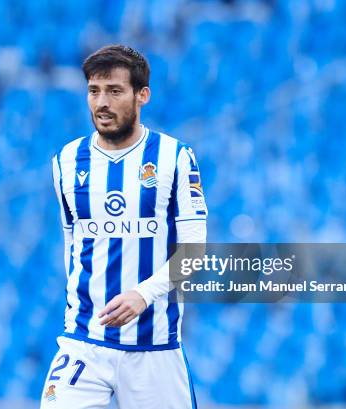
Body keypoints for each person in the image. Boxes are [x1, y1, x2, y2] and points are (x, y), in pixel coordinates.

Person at [42, 44, 207, 409]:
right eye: (94, 91)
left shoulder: (174, 158)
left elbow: (195, 253)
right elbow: (72, 241)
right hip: (84, 343)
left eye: (115, 91)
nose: (102, 102)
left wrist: (143, 294)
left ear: (141, 95)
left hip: (154, 348)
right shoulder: (66, 162)